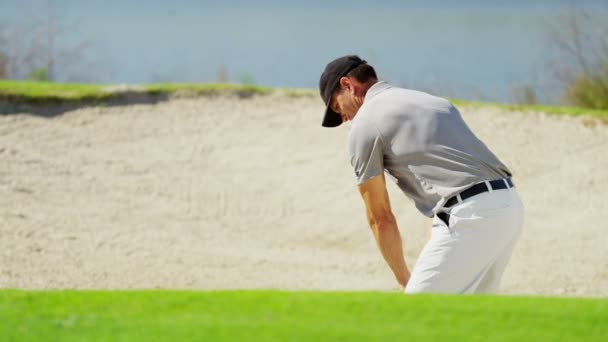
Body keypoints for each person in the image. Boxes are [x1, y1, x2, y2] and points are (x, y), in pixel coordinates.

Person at [318, 55, 524, 294]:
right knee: (470, 319)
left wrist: (405, 280)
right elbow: (445, 185)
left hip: (469, 216)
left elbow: (380, 218)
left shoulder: (364, 124)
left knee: (416, 314)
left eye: (336, 107)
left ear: (348, 85)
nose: (343, 118)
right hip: (509, 206)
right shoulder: (431, 101)